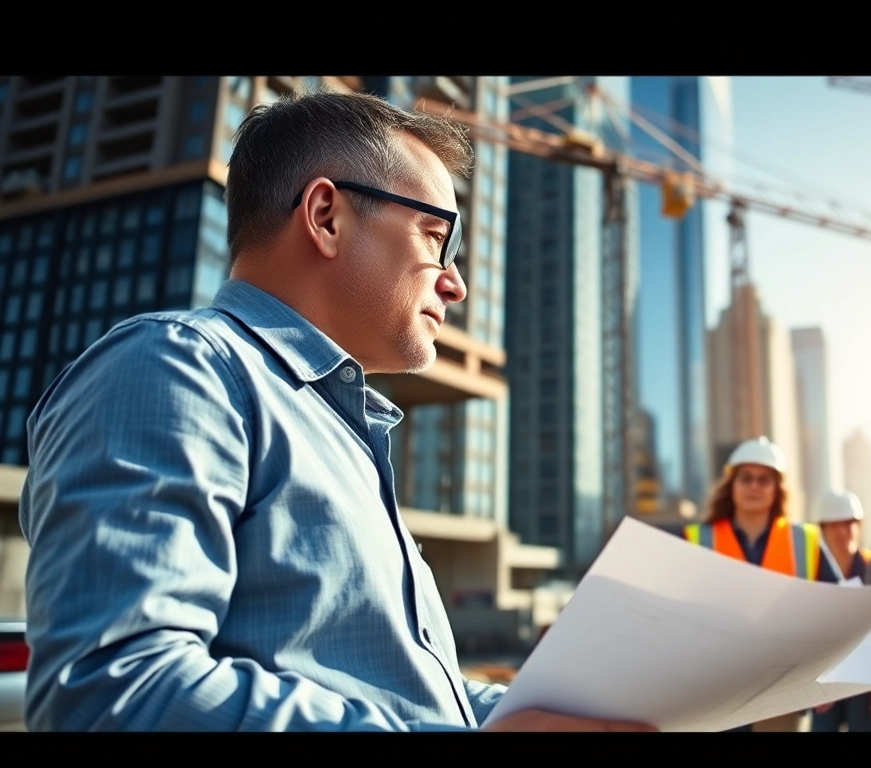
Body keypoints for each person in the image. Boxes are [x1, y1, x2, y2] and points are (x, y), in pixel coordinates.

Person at [17, 88, 655, 733]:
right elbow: (114, 693)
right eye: (437, 236)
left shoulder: (343, 434)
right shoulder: (175, 368)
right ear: (325, 215)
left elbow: (401, 697)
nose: (455, 282)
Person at [683, 436, 842, 731]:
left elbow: (840, 608)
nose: (754, 486)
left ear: (776, 488)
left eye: (763, 479)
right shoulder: (697, 539)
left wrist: (826, 675)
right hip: (714, 690)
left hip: (782, 689)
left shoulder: (804, 541)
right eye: (746, 478)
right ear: (732, 485)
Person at [808, 490, 871, 732]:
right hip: (823, 680)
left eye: (850, 523)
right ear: (822, 529)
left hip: (865, 681)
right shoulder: (810, 572)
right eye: (835, 525)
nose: (844, 532)